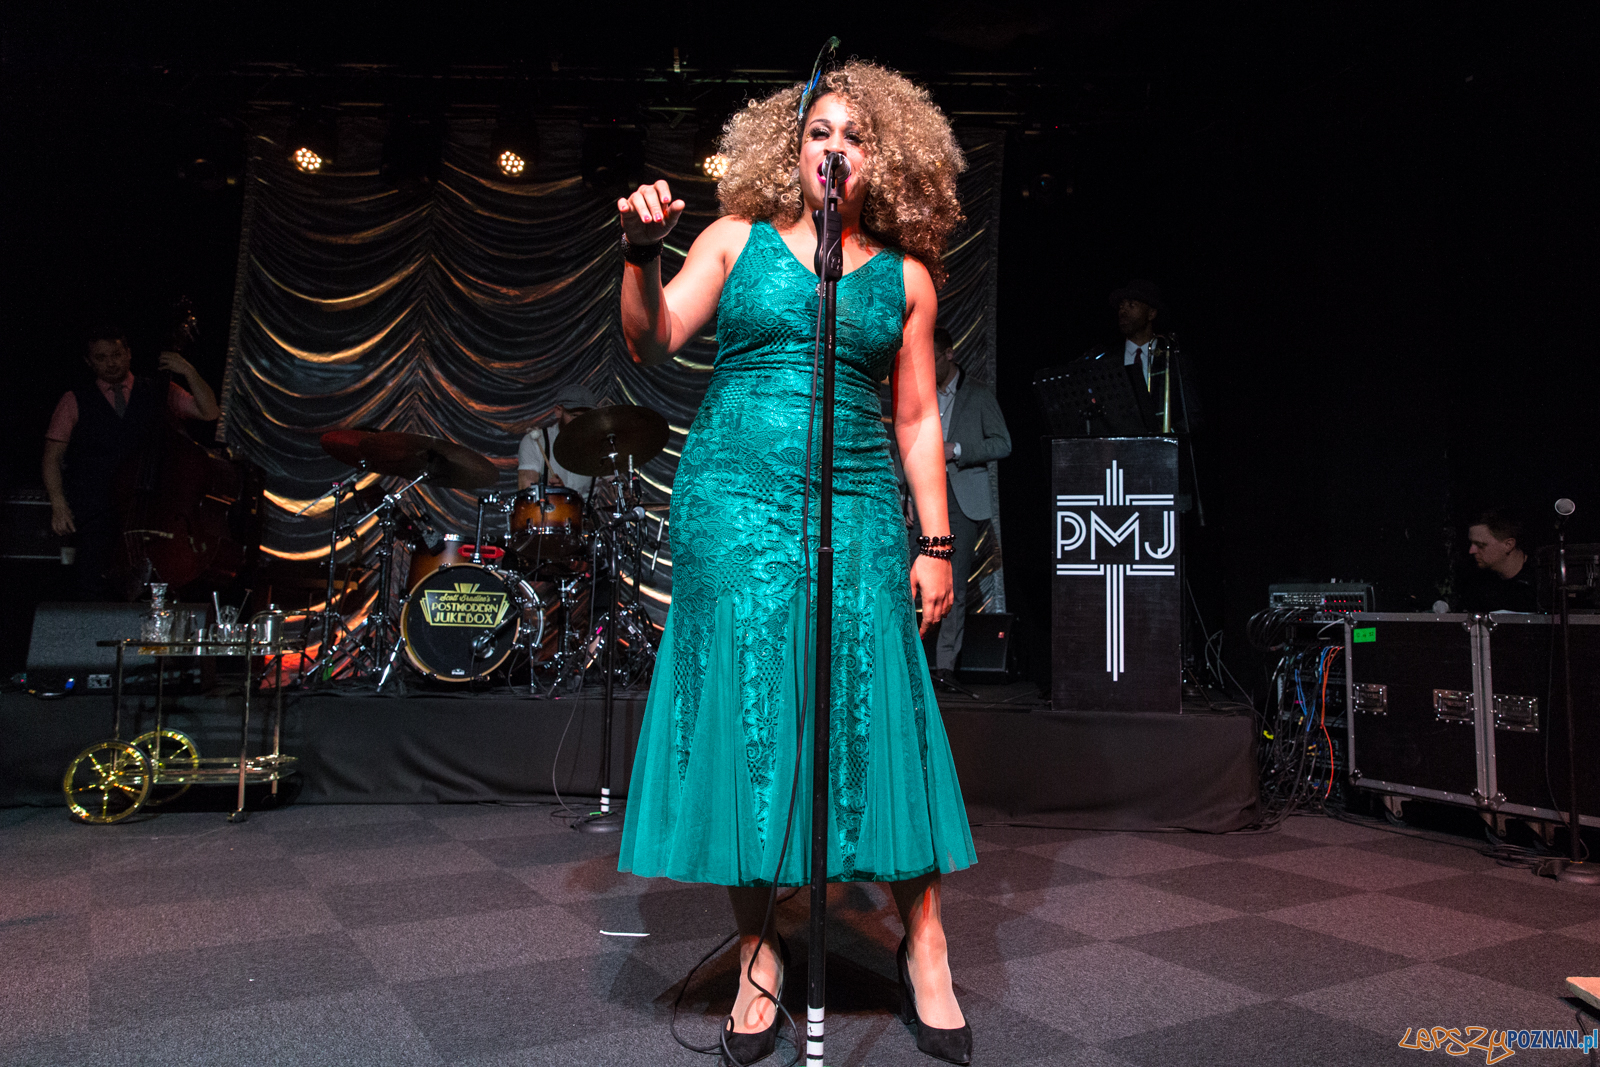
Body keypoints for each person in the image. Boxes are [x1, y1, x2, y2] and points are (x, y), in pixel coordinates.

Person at [614, 61, 976, 1066]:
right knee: (750, 716)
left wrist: (936, 541)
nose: (834, 148)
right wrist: (640, 253)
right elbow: (653, 337)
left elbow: (915, 419)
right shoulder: (733, 239)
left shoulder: (905, 278)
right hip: (732, 505)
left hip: (856, 509)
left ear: (883, 160)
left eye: (855, 136)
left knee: (875, 708)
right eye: (820, 131)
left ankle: (926, 942)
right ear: (792, 147)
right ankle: (758, 949)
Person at [42, 326, 220, 599]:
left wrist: (188, 371)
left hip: (153, 511)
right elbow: (52, 457)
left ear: (128, 353)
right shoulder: (74, 399)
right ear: (89, 362)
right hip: (96, 511)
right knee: (94, 586)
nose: (110, 363)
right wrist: (58, 504)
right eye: (101, 357)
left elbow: (209, 412)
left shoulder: (158, 390)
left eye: (116, 355)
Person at [929, 327, 1011, 689]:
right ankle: (909, 664)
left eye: (932, 358)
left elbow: (1003, 443)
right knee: (909, 581)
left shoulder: (977, 393)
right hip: (923, 495)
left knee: (953, 584)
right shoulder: (919, 392)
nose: (925, 366)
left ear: (949, 354)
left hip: (959, 499)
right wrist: (904, 495)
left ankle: (944, 666)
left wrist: (958, 450)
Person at [516, 384, 600, 497]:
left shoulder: (601, 444)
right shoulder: (535, 441)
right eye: (575, 416)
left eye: (586, 417)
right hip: (547, 508)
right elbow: (527, 496)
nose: (581, 423)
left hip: (585, 508)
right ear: (558, 411)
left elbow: (616, 487)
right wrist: (555, 494)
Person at [1461, 510, 1538, 612]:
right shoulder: (1477, 583)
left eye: (1480, 545)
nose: (1471, 551)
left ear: (1508, 545)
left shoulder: (1541, 580)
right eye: (1471, 544)